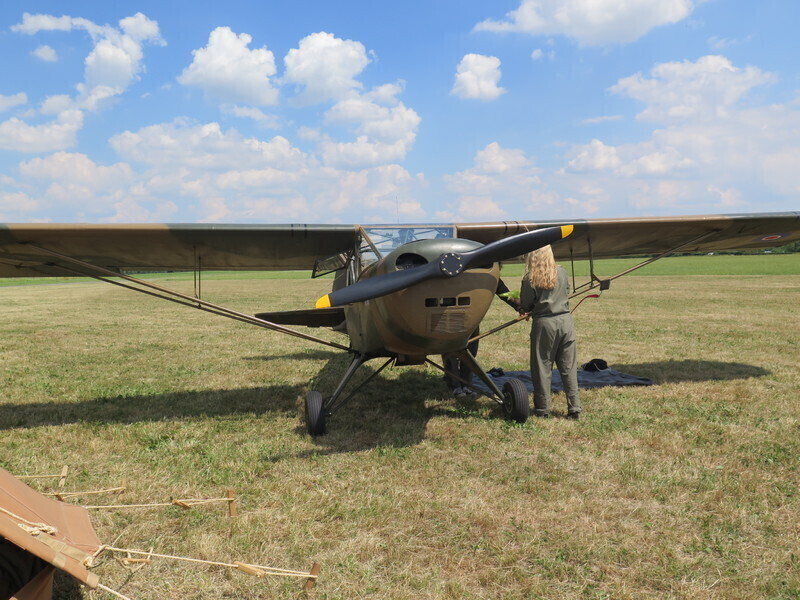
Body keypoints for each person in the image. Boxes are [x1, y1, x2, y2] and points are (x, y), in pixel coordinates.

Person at [519, 245, 581, 419]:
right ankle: (574, 408)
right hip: (566, 322)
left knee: (542, 366)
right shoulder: (562, 272)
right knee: (569, 367)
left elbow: (526, 304)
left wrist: (524, 308)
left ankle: (543, 409)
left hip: (544, 323)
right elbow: (567, 292)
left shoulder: (529, 278)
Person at [443, 279, 520, 397]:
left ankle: (466, 385)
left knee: (470, 351)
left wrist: (519, 306)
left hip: (472, 316)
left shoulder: (483, 272)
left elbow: (501, 289)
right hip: (451, 312)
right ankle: (455, 386)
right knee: (451, 351)